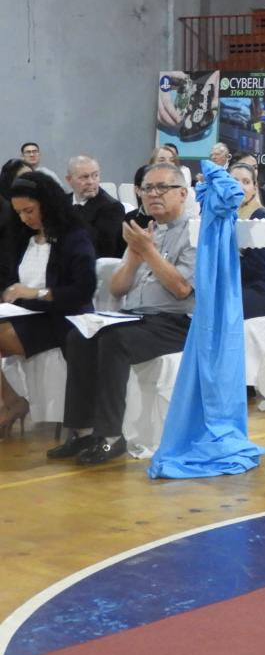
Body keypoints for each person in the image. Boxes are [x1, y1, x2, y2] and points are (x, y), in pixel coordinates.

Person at [50, 163, 196, 464]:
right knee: (79, 336)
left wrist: (148, 251)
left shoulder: (196, 234)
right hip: (135, 317)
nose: (152, 194)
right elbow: (117, 289)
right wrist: (133, 257)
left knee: (114, 342)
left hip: (175, 322)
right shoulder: (145, 231)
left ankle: (111, 436)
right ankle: (82, 430)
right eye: (147, 188)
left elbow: (182, 289)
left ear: (182, 193)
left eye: (162, 187)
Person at [0, 173, 98, 438]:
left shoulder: (74, 237)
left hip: (62, 317)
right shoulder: (23, 237)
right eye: (19, 213)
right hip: (26, 312)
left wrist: (38, 293)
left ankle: (12, 401)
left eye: (29, 211)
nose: (24, 218)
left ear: (47, 204)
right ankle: (10, 399)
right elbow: (10, 278)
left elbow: (83, 290)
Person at [228, 163, 265, 319]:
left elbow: (257, 267)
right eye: (234, 181)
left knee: (215, 304)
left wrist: (223, 267)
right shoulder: (224, 214)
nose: (239, 186)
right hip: (235, 284)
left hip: (260, 290)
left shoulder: (261, 216)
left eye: (246, 182)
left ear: (254, 188)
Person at [66, 155, 126, 259]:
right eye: (84, 177)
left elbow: (102, 250)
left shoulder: (112, 208)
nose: (91, 182)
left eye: (95, 176)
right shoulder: (62, 202)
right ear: (69, 180)